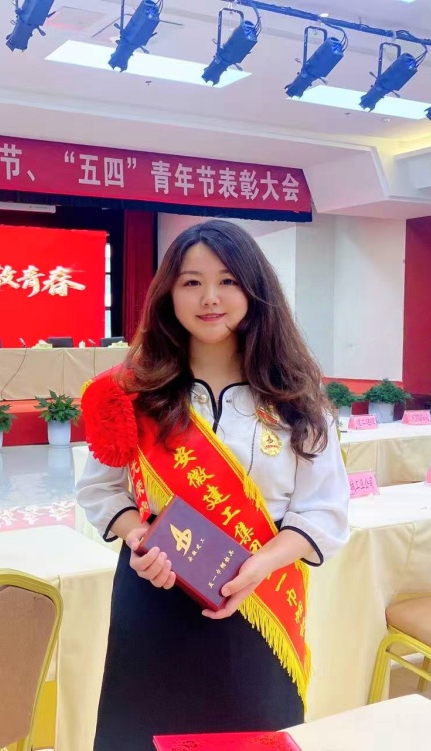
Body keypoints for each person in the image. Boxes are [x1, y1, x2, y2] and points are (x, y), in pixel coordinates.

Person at [77, 219, 349, 749]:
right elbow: (101, 489)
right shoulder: (131, 392)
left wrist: (260, 566)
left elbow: (323, 510)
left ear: (254, 290)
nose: (210, 298)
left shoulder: (296, 396)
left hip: (259, 600)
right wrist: (138, 537)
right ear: (168, 294)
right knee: (142, 733)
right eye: (191, 282)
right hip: (154, 594)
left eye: (227, 281)